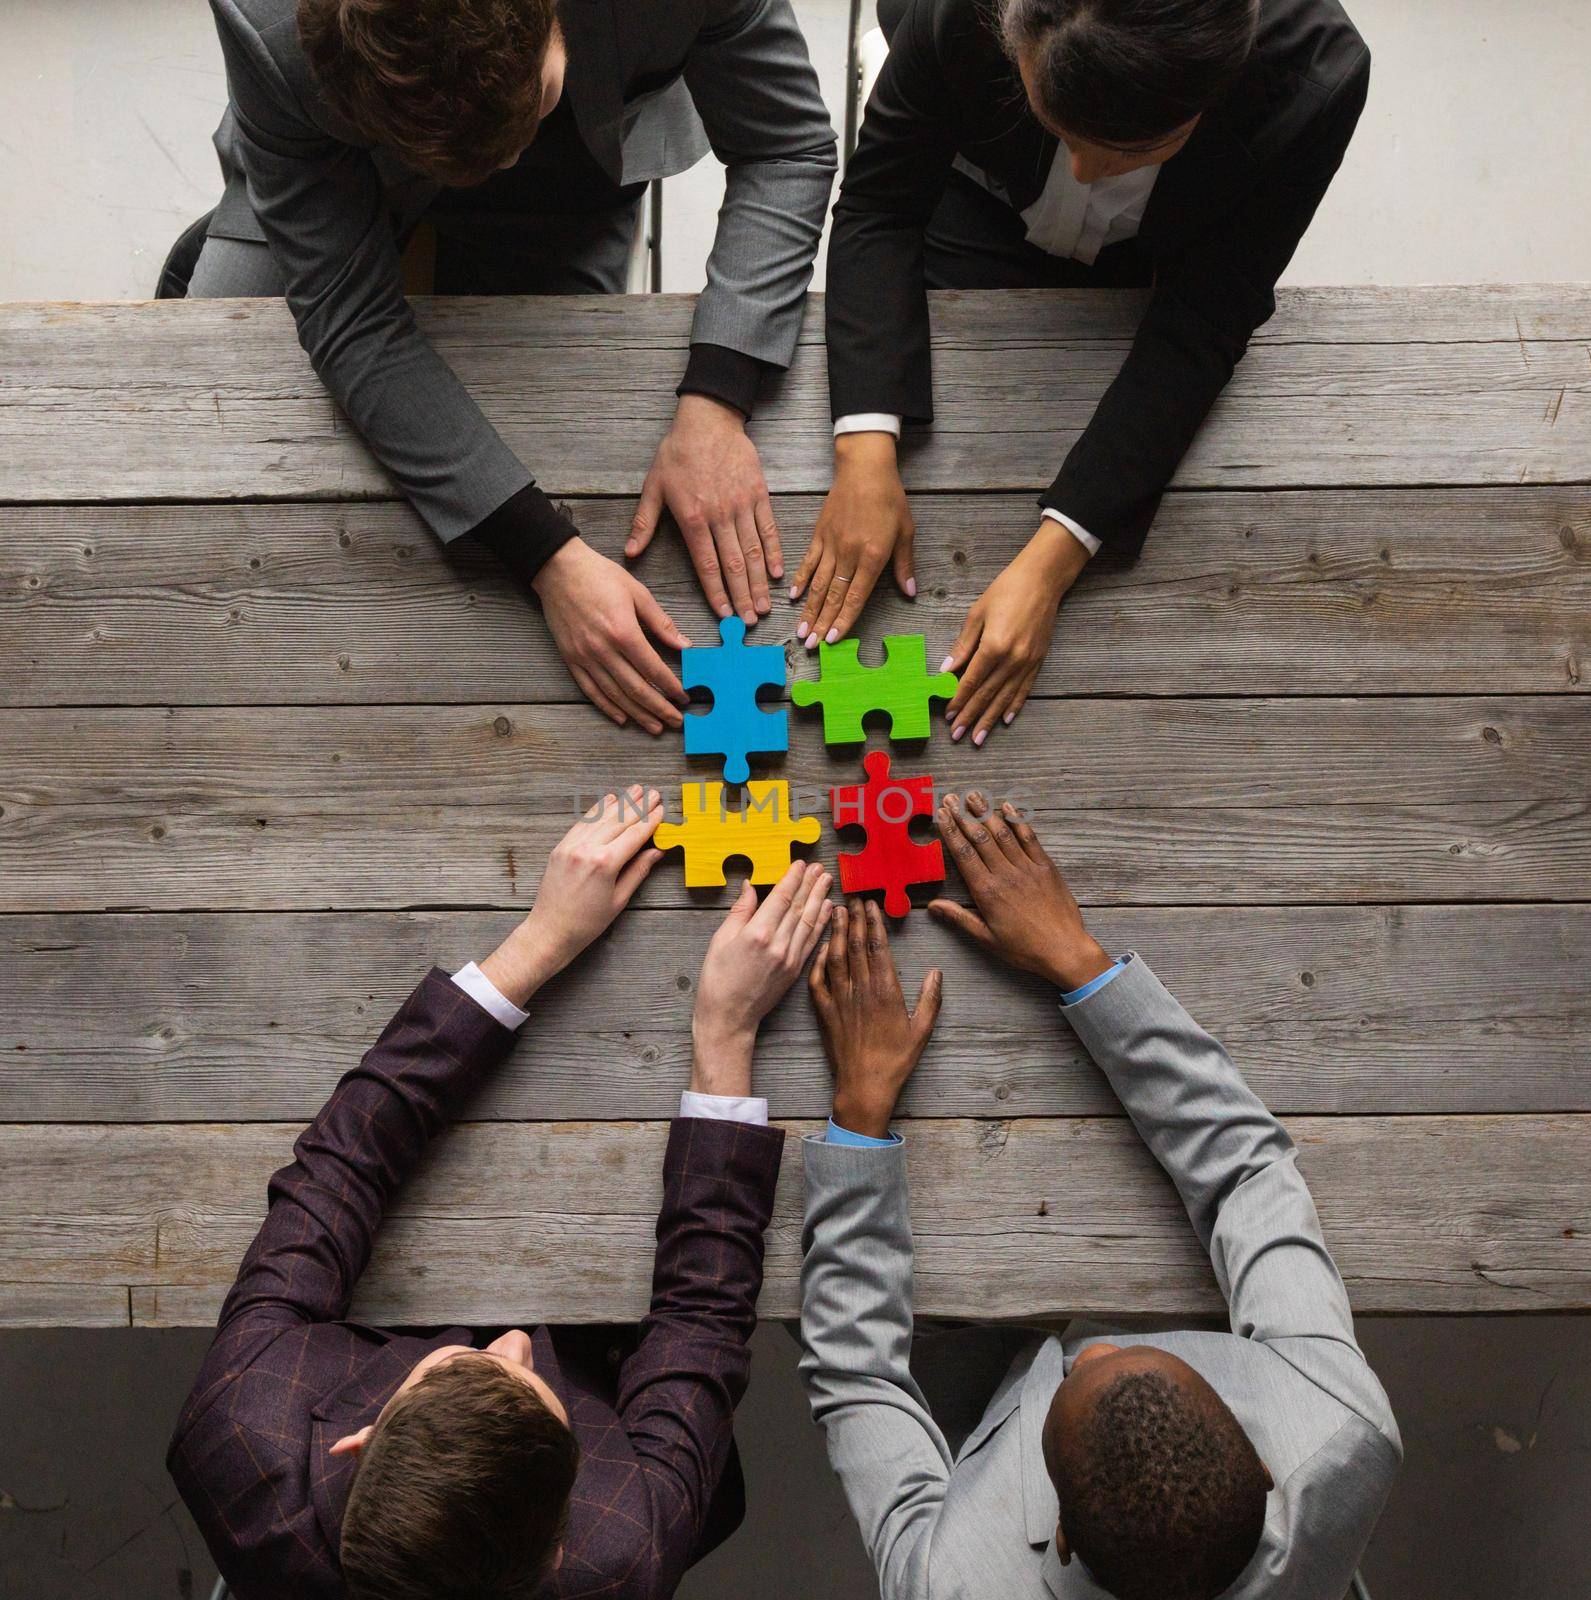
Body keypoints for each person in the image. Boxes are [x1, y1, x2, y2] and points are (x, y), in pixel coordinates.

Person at [167, 789, 834, 1600]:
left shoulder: (240, 1421)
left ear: (360, 1438)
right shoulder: (622, 1551)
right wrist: (725, 1033)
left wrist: (540, 940)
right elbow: (700, 1325)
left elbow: (339, 1173)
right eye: (530, 1383)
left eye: (470, 1366)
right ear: (561, 1547)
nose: (517, 1339)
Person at [165, 0, 837, 734]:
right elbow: (349, 317)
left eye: (530, 100)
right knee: (208, 393)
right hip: (341, 170)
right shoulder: (266, 27)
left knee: (566, 451)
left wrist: (717, 398)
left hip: (577, 181)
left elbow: (787, 149)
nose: (502, 165)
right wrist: (546, 558)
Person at [798, 798, 1401, 1599]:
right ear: (1266, 1465)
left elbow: (856, 1374)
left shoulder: (957, 1583)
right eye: (1140, 1354)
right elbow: (1248, 1174)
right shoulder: (1337, 1436)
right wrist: (1083, 965)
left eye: (1078, 1374)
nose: (1096, 1346)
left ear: (1065, 1542)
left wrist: (861, 1123)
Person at [795, 0, 1370, 746]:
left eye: (1133, 148)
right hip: (972, 203)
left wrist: (1053, 561)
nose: (1084, 171)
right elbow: (879, 204)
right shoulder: (957, 11)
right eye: (1056, 124)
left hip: (1149, 270)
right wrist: (864, 446)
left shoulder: (1318, 77)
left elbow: (1207, 317)